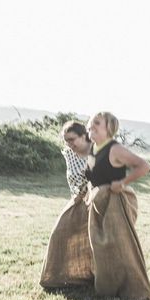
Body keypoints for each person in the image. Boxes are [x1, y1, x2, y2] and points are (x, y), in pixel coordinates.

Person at [86, 111, 150, 300]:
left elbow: (144, 166)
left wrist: (123, 182)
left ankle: (135, 290)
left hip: (115, 202)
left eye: (97, 123)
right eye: (90, 123)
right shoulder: (93, 148)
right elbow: (92, 175)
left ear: (109, 128)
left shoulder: (115, 149)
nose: (91, 125)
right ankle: (108, 286)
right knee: (101, 246)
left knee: (121, 247)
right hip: (97, 202)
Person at [39, 121, 94, 288]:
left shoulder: (97, 152)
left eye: (72, 139)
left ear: (84, 135)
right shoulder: (70, 154)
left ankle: (99, 277)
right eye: (66, 140)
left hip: (95, 201)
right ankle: (60, 276)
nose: (69, 144)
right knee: (60, 233)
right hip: (77, 200)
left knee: (95, 241)